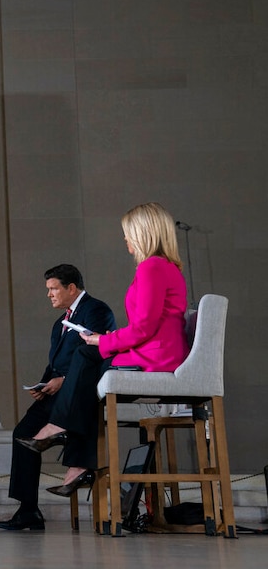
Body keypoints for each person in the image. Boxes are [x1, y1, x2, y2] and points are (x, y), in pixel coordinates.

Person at [18, 202, 189, 499]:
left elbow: (144, 328)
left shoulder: (152, 267)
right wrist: (106, 340)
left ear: (143, 233)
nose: (125, 240)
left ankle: (62, 435)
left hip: (156, 356)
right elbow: (147, 325)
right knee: (86, 378)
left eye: (128, 234)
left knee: (85, 359)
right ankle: (75, 462)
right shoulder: (165, 267)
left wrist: (102, 341)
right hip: (157, 349)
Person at [0, 264, 116, 531]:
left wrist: (64, 381)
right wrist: (44, 384)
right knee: (22, 434)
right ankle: (28, 510)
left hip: (81, 390)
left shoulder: (96, 310)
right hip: (56, 392)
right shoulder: (58, 322)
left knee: (54, 425)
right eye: (48, 289)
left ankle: (74, 462)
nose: (49, 294)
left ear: (71, 288)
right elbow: (55, 364)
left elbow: (96, 354)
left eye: (53, 289)